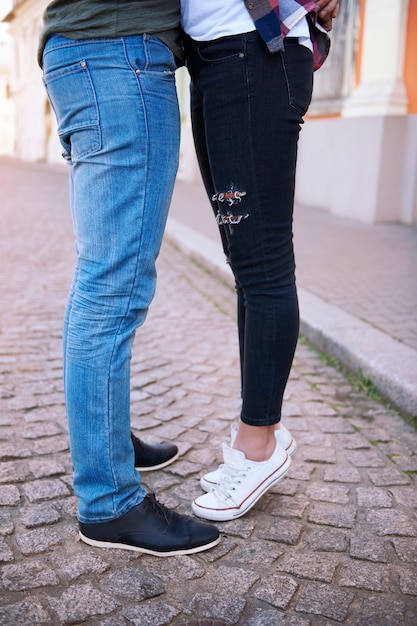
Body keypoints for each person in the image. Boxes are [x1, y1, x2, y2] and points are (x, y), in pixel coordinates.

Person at [38, 0, 220, 556]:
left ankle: (107, 442)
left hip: (85, 55)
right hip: (120, 57)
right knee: (111, 288)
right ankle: (109, 502)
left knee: (103, 276)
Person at [180, 0, 339, 522]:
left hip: (255, 56)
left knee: (264, 263)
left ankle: (258, 445)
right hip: (214, 61)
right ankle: (260, 427)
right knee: (246, 262)